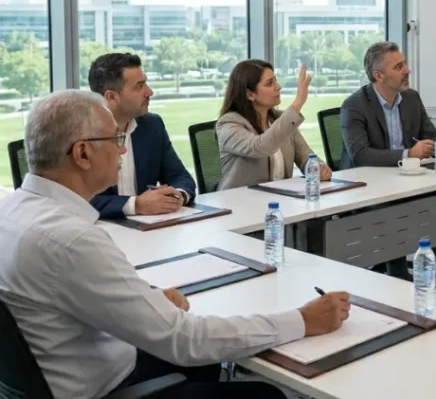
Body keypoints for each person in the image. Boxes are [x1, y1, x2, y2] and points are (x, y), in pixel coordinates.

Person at [0, 90, 351, 399]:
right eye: (115, 140)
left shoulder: (11, 212)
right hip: (102, 384)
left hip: (65, 367)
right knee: (264, 393)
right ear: (82, 154)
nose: (122, 150)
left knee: (202, 365)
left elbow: (68, 291)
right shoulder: (72, 241)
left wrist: (144, 300)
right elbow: (187, 340)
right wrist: (302, 320)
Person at [339, 41, 436, 293]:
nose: (407, 70)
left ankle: (431, 273)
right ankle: (396, 276)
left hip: (407, 177)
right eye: (399, 66)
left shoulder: (411, 98)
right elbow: (360, 155)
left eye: (405, 63)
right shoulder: (354, 105)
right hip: (367, 184)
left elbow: (429, 133)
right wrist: (408, 153)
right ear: (379, 76)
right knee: (391, 210)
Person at [86, 52, 197, 219]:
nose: (149, 92)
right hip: (98, 231)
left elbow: (180, 177)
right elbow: (73, 199)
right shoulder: (81, 133)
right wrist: (135, 205)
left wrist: (176, 196)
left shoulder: (152, 125)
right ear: (111, 97)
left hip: (148, 230)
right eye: (139, 86)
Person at [216, 60, 333, 191]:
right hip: (239, 204)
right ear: (249, 94)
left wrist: (319, 168)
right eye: (269, 83)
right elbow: (260, 147)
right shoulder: (228, 123)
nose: (278, 87)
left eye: (275, 80)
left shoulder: (280, 120)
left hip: (280, 200)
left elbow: (306, 157)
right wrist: (297, 103)